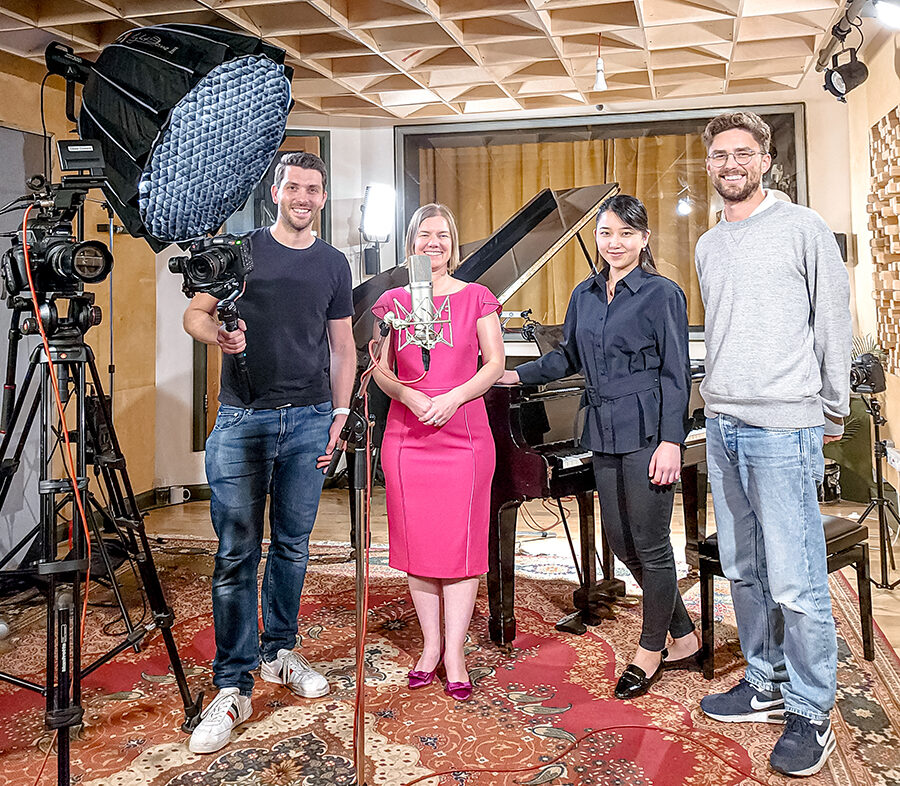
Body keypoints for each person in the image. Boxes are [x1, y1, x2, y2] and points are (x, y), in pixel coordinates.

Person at [182, 152, 356, 754]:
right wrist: (219, 337)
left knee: (292, 546)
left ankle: (281, 651)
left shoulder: (334, 264)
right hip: (243, 420)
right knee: (236, 554)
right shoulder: (240, 250)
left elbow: (342, 347)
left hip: (310, 421)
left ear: (323, 197)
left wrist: (338, 418)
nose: (303, 197)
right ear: (276, 191)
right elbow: (193, 314)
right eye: (293, 187)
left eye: (314, 189)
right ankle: (232, 685)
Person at [695, 111, 851, 777]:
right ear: (709, 164)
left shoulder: (803, 228)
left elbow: (834, 321)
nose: (733, 163)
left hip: (785, 426)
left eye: (744, 152)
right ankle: (764, 681)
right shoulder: (706, 243)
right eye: (721, 154)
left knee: (797, 578)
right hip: (723, 423)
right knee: (745, 570)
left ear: (764, 160)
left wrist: (832, 412)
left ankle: (811, 707)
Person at [499, 194, 698, 700]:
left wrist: (671, 439)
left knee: (650, 544)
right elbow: (566, 355)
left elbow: (677, 373)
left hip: (649, 428)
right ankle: (685, 635)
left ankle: (650, 650)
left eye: (627, 234)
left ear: (644, 239)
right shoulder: (584, 294)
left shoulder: (662, 294)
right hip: (603, 428)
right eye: (607, 233)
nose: (616, 243)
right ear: (598, 237)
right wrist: (511, 374)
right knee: (619, 539)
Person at [371, 203, 504, 701]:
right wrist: (409, 396)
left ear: (454, 243)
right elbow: (380, 368)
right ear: (411, 244)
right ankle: (430, 647)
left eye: (443, 236)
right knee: (419, 548)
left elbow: (494, 363)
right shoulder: (393, 302)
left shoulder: (477, 297)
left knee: (462, 549)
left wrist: (451, 398)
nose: (434, 243)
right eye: (425, 235)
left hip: (464, 435)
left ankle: (455, 653)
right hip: (408, 437)